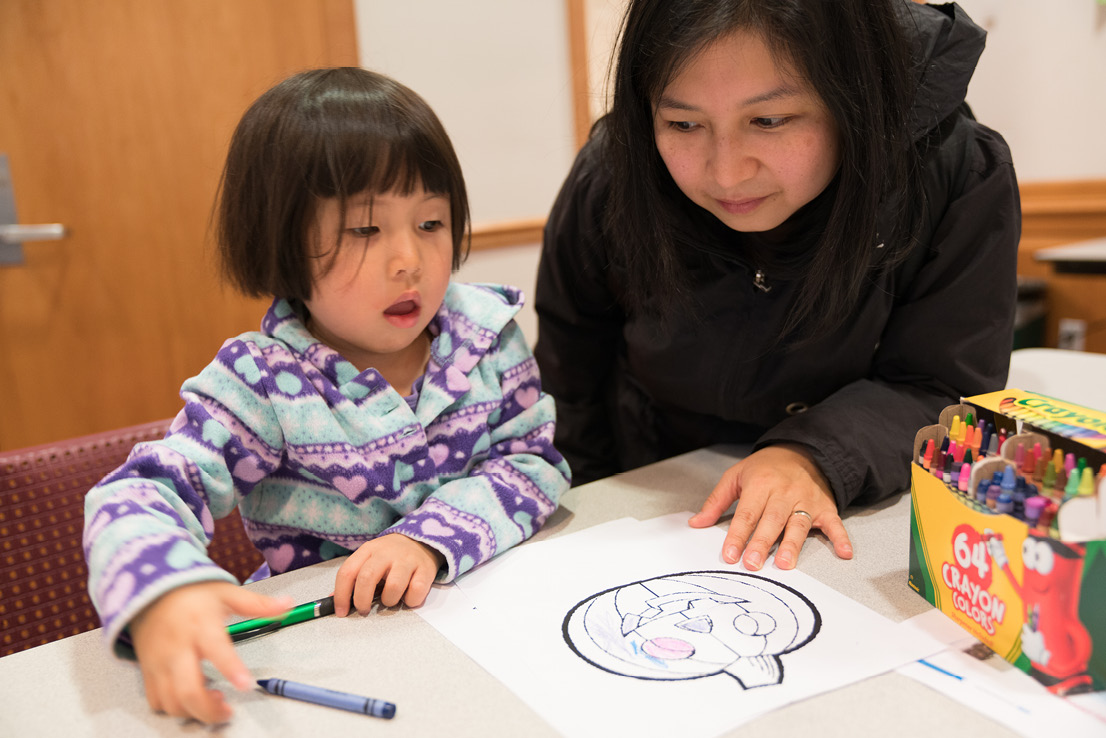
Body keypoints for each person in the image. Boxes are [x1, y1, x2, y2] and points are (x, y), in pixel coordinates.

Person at [84, 67, 570, 724]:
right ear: (282, 240)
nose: (409, 259)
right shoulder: (263, 379)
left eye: (430, 222)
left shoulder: (486, 333)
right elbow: (139, 493)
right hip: (329, 651)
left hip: (485, 627)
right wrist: (164, 592)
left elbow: (532, 460)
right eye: (366, 230)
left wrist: (428, 539)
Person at [535, 1, 1018, 572]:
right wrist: (586, 509)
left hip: (853, 509)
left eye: (768, 121)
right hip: (654, 500)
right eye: (683, 124)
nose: (726, 173)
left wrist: (811, 454)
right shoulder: (614, 172)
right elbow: (571, 367)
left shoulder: (956, 169)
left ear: (851, 97)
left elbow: (944, 384)